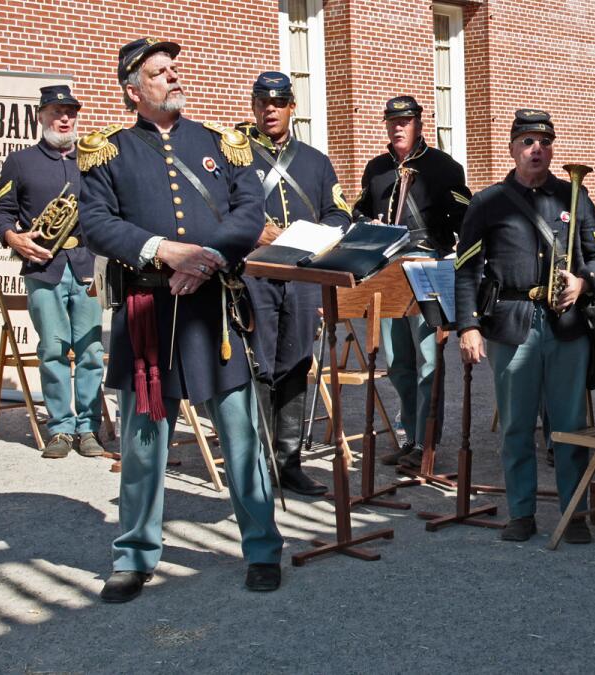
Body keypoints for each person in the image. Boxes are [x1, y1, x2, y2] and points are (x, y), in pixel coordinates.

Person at [79, 38, 283, 603]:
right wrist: (163, 251)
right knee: (144, 443)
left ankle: (263, 547)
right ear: (133, 89)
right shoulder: (107, 152)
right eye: (159, 72)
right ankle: (135, 554)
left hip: (213, 310)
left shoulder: (222, 144)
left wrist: (207, 258)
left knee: (241, 438)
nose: (173, 77)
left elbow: (250, 213)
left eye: (175, 69)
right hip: (147, 314)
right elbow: (96, 223)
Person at [455, 109, 595, 543]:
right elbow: (466, 270)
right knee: (516, 426)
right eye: (527, 141)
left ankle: (575, 512)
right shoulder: (487, 202)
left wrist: (585, 282)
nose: (537, 149)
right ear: (511, 148)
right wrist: (468, 326)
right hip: (512, 324)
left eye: (544, 142)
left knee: (569, 426)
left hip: (565, 324)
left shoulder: (575, 196)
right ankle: (521, 512)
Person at [238, 71, 352, 496]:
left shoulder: (315, 162)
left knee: (296, 364)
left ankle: (288, 463)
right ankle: (260, 464)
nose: (270, 110)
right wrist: (254, 232)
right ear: (253, 107)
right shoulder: (238, 156)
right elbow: (221, 212)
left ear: (291, 107)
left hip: (303, 275)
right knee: (261, 366)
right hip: (257, 275)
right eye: (262, 103)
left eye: (279, 102)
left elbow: (339, 214)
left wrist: (317, 236)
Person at [353, 96, 471, 469]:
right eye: (392, 121)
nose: (398, 127)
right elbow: (360, 211)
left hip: (428, 268)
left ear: (419, 123)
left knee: (428, 361)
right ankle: (409, 435)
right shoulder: (376, 168)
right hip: (388, 272)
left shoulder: (444, 168)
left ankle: (426, 442)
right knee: (398, 361)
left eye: (405, 120)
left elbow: (465, 221)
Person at [0, 85, 105, 460]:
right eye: (57, 111)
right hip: (43, 267)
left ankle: (88, 428)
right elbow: (2, 212)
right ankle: (60, 428)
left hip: (86, 266)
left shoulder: (91, 160)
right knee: (52, 349)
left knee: (89, 350)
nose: (65, 118)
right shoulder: (20, 161)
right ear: (41, 116)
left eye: (70, 111)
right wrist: (14, 239)